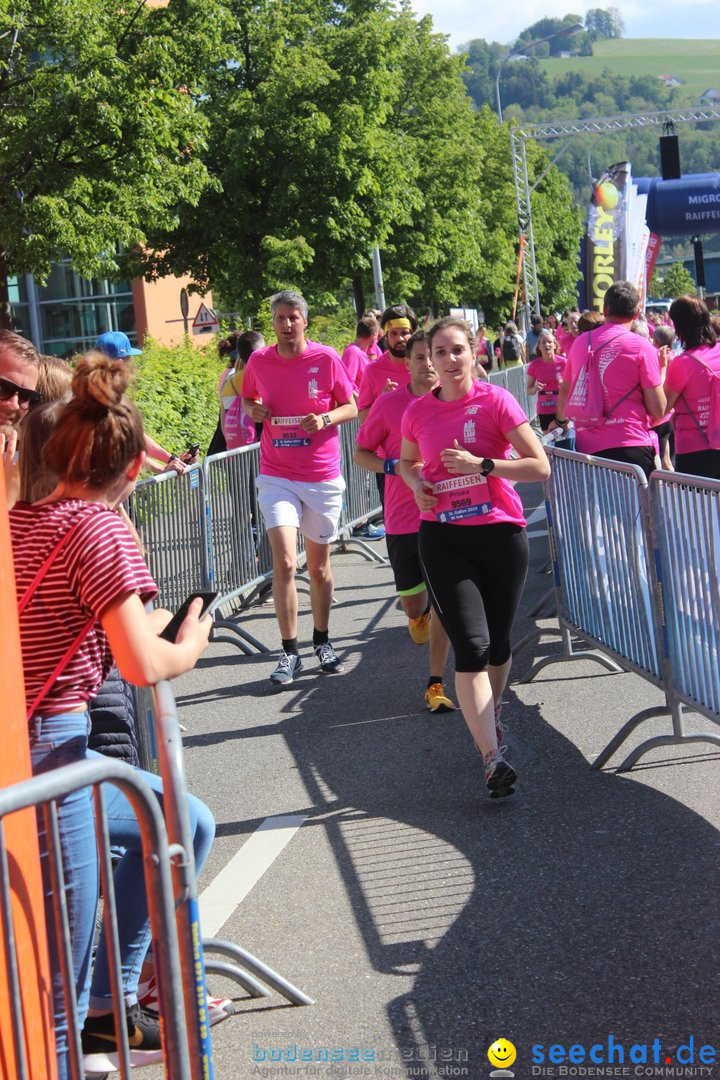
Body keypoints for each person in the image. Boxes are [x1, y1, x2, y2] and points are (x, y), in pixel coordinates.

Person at [10, 355, 214, 1077]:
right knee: (52, 983)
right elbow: (142, 665)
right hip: (53, 750)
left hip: (30, 742)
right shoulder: (101, 531)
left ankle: (113, 1000)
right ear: (132, 471)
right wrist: (188, 643)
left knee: (182, 818)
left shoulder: (24, 521)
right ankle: (95, 1010)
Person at [399, 317, 550, 798]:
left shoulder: (495, 400)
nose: (447, 360)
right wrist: (416, 483)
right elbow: (406, 461)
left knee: (500, 643)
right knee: (473, 646)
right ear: (430, 360)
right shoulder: (417, 412)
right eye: (438, 353)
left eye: (456, 350)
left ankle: (494, 711)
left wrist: (483, 465)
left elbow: (538, 465)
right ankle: (492, 757)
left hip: (500, 532)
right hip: (443, 538)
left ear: (474, 351)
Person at [242, 289, 357, 685]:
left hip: (322, 476)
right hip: (276, 474)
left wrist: (324, 420)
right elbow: (248, 399)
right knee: (286, 562)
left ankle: (322, 640)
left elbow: (351, 406)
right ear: (272, 323)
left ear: (305, 321)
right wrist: (254, 410)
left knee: (320, 567)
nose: (287, 324)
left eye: (293, 317)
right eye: (279, 318)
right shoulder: (259, 360)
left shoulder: (325, 358)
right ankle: (289, 652)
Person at [354, 330, 456, 714]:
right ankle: (419, 615)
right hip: (403, 518)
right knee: (415, 605)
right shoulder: (389, 405)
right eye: (419, 357)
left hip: (448, 515)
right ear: (408, 363)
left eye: (432, 356)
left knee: (446, 600)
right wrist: (392, 466)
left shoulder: (459, 399)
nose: (428, 364)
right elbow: (361, 452)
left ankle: (437, 682)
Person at [555, 282, 667, 480]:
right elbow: (658, 409)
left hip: (588, 450)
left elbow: (566, 391)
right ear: (636, 313)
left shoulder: (580, 343)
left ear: (605, 310)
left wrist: (558, 422)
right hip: (631, 445)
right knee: (640, 510)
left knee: (599, 511)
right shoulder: (641, 346)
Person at [94, 330, 195, 475]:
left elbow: (136, 437)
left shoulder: (103, 396)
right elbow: (126, 451)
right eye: (129, 359)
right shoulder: (102, 402)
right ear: (120, 364)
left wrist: (171, 459)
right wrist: (163, 469)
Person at [664, 295, 720, 479]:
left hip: (695, 449)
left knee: (697, 507)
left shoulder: (683, 363)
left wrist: (663, 367)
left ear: (678, 326)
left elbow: (663, 407)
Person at [220, 330, 265, 449]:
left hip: (236, 450)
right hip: (260, 448)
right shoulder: (262, 379)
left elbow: (224, 418)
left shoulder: (229, 382)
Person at [526, 330, 567, 432]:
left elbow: (574, 385)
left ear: (555, 345)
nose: (546, 345)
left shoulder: (564, 363)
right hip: (544, 409)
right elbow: (528, 390)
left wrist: (564, 384)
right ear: (539, 347)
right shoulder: (534, 365)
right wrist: (535, 388)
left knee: (566, 441)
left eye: (549, 342)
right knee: (549, 443)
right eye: (543, 342)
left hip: (562, 408)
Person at [341, 314, 380, 397]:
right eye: (377, 336)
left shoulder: (361, 352)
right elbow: (346, 383)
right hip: (360, 406)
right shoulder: (353, 352)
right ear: (373, 336)